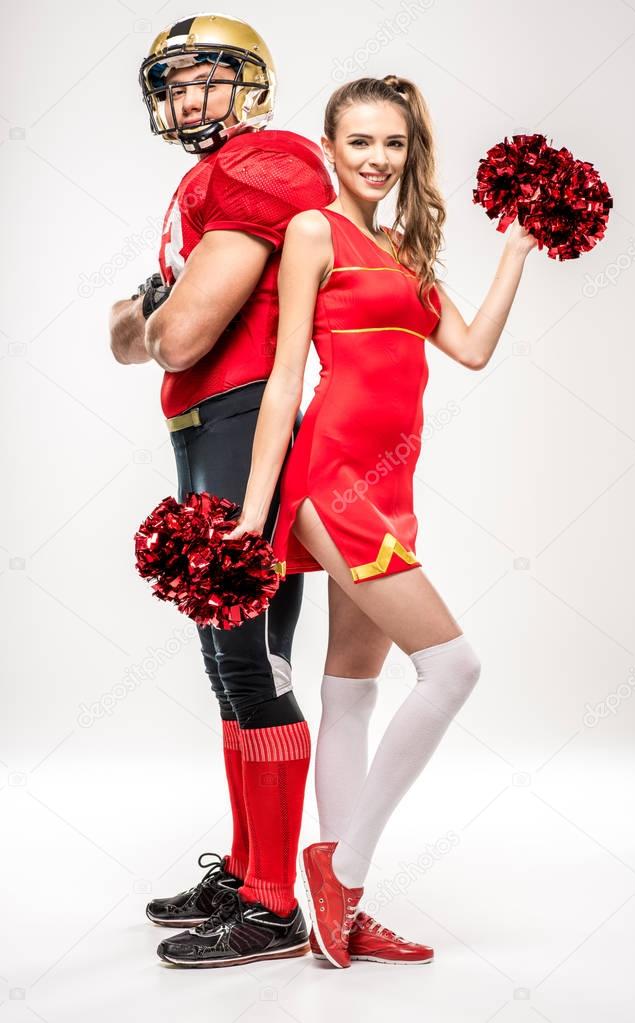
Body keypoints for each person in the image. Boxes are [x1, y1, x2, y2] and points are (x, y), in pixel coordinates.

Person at [226, 74, 538, 968]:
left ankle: (339, 919)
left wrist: (514, 246)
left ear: (410, 153)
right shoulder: (312, 231)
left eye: (392, 144)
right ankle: (344, 868)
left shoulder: (403, 246)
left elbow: (470, 348)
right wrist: (256, 513)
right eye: (359, 141)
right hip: (332, 481)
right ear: (329, 145)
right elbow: (287, 380)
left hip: (392, 486)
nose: (376, 158)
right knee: (453, 666)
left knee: (350, 692)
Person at [109, 13, 336, 968]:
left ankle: (276, 902)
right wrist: (154, 316)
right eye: (174, 82)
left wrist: (158, 311)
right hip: (204, 426)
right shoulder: (201, 180)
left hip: (244, 421)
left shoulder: (268, 160)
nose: (185, 96)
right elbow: (127, 336)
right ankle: (250, 870)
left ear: (249, 83)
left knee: (253, 663)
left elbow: (177, 333)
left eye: (205, 78)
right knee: (224, 660)